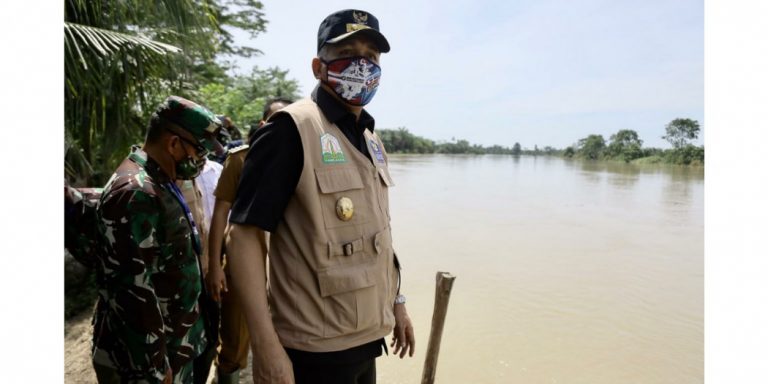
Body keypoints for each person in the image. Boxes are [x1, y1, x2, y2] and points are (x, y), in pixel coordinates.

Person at [226, 9, 415, 384]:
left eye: (371, 57)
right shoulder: (290, 131)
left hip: (366, 337)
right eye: (349, 52)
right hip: (315, 349)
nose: (362, 65)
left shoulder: (371, 140)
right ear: (318, 66)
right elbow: (242, 237)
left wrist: (398, 301)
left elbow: (378, 232)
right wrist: (265, 347)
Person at [91, 96, 223, 384]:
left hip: (176, 348)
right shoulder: (136, 192)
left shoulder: (160, 180)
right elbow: (133, 289)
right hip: (150, 364)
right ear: (173, 144)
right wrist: (155, 368)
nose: (201, 159)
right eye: (198, 150)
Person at [205, 97, 293, 384]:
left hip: (286, 272)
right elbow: (220, 215)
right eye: (275, 120)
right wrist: (215, 266)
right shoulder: (240, 159)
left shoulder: (300, 161)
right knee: (233, 344)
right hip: (244, 269)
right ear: (263, 124)